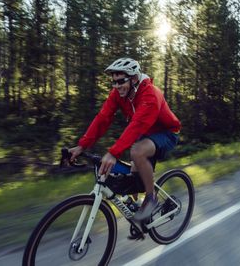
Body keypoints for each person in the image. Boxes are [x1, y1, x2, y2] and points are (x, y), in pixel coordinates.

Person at [68, 58, 181, 221]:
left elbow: (137, 125)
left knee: (137, 151)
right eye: (113, 82)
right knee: (133, 176)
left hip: (167, 132)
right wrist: (81, 146)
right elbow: (103, 118)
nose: (116, 86)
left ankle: (151, 199)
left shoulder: (150, 94)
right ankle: (139, 210)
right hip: (145, 132)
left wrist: (113, 153)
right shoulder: (119, 94)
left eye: (121, 81)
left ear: (134, 78)